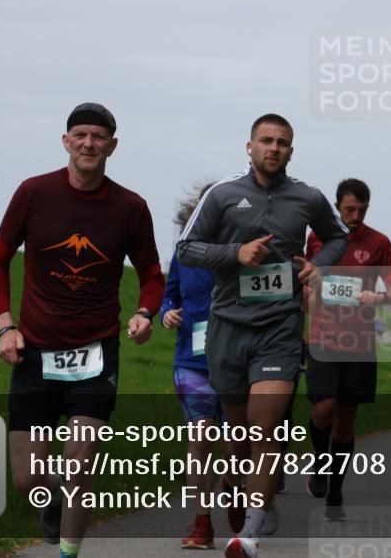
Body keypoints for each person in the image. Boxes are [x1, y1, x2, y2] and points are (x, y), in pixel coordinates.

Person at [0, 103, 164, 558]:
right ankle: (57, 504)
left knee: (80, 464)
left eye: (99, 137)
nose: (89, 144)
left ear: (113, 146)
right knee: (28, 479)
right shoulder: (33, 193)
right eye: (80, 135)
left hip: (96, 353)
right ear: (66, 140)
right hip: (35, 352)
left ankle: (68, 552)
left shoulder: (130, 207)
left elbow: (151, 274)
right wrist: (6, 327)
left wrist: (144, 313)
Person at [177, 113, 348, 558]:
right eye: (266, 141)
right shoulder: (223, 194)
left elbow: (338, 237)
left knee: (265, 427)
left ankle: (249, 532)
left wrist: (319, 265)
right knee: (237, 437)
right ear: (249, 147)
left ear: (291, 150)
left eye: (283, 143)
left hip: (280, 327)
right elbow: (187, 249)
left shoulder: (307, 196)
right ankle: (246, 492)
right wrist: (236, 253)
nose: (274, 148)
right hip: (229, 326)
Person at [303, 178, 391, 521]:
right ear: (337, 207)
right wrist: (309, 293)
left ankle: (335, 491)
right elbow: (303, 277)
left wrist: (378, 296)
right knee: (323, 409)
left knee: (345, 424)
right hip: (321, 337)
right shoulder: (317, 238)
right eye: (349, 209)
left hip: (359, 343)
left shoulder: (379, 243)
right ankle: (319, 459)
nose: (355, 215)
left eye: (361, 210)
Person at [161, 183, 243, 549]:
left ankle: (234, 485)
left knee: (235, 446)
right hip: (191, 360)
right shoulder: (185, 252)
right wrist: (167, 313)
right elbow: (170, 293)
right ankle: (202, 522)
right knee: (202, 436)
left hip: (237, 360)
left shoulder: (246, 252)